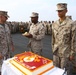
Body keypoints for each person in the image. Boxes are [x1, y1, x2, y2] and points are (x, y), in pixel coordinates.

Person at [52, 3, 75, 75]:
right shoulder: (55, 24)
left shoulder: (71, 24)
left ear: (66, 11)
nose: (59, 13)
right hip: (56, 52)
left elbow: (74, 40)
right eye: (58, 11)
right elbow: (53, 38)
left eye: (61, 11)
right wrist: (53, 48)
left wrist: (72, 54)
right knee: (56, 71)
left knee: (65, 72)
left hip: (66, 53)